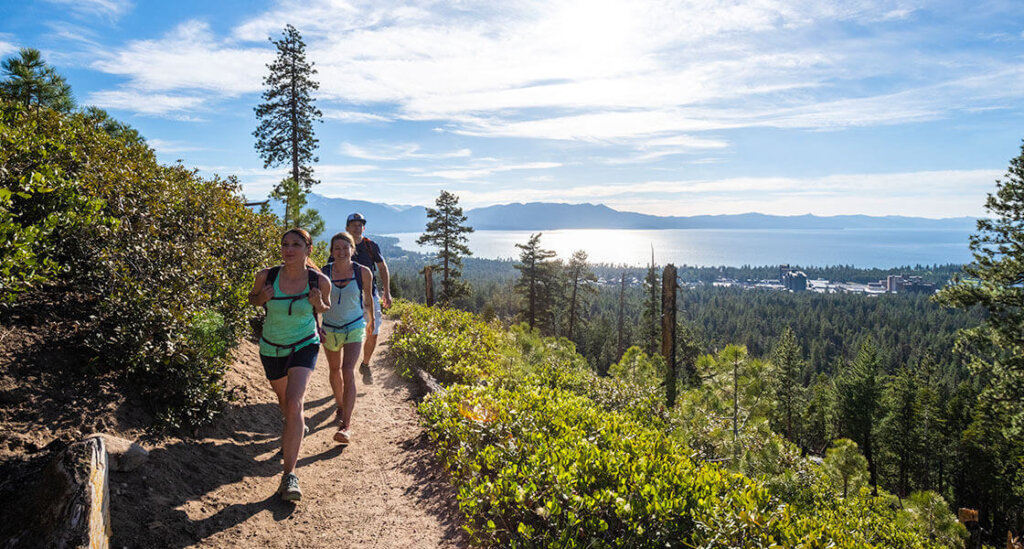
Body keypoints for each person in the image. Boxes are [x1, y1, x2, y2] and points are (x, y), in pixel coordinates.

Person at [248, 228, 331, 502]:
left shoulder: (318, 280)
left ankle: (289, 476)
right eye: (285, 244)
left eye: (296, 244)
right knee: (285, 404)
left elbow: (325, 307)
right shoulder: (266, 275)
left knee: (295, 401)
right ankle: (294, 428)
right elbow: (253, 299)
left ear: (308, 250)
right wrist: (263, 298)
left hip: (304, 344)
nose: (289, 249)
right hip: (271, 347)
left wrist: (318, 303)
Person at [320, 232, 374, 445]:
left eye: (345, 247)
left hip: (354, 326)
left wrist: (370, 323)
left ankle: (346, 425)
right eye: (337, 248)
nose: (341, 252)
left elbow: (368, 299)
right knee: (334, 371)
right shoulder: (324, 273)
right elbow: (316, 302)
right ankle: (341, 405)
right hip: (330, 328)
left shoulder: (363, 272)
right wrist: (316, 325)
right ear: (332, 252)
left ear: (353, 249)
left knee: (347, 370)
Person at [346, 213, 392, 384]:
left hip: (369, 296)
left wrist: (386, 291)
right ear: (347, 228)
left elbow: (382, 267)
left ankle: (365, 364)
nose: (357, 228)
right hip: (347, 297)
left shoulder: (371, 246)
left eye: (360, 225)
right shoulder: (342, 246)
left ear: (363, 228)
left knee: (372, 332)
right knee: (349, 334)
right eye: (354, 225)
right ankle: (348, 369)